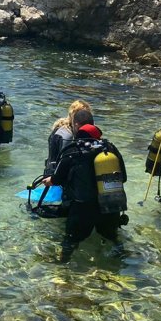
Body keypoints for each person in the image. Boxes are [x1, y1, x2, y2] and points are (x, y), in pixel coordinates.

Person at [48, 112, 128, 261]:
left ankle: (61, 270)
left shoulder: (73, 150)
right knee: (113, 238)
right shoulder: (110, 148)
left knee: (70, 242)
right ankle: (123, 262)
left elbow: (57, 179)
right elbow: (123, 178)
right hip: (110, 207)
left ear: (77, 126)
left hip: (82, 209)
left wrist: (48, 180)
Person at [44, 99, 93, 177]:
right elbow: (64, 163)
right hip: (55, 177)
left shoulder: (61, 127)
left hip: (49, 173)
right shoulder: (67, 136)